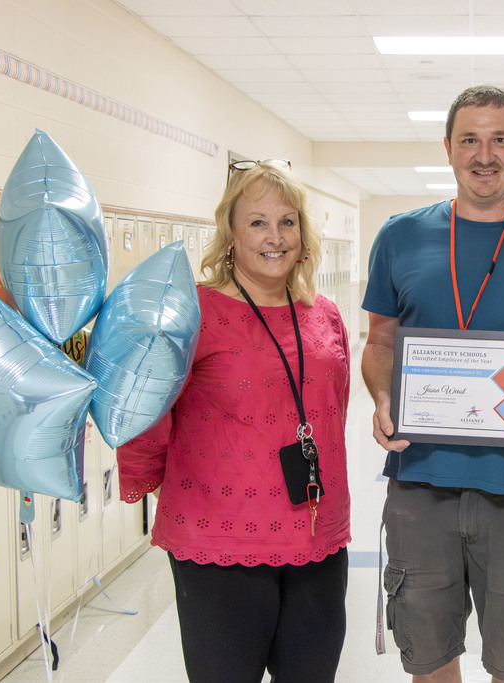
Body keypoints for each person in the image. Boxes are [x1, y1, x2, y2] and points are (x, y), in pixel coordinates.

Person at [362, 85, 504, 683]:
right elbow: (380, 343)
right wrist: (384, 398)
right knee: (428, 661)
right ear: (447, 148)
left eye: (500, 140)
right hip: (420, 482)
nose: (484, 155)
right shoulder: (400, 236)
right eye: (469, 139)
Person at [117, 159, 351, 682]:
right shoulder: (192, 315)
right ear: (230, 233)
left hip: (317, 535)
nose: (275, 237)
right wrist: (146, 477)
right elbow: (147, 410)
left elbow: (334, 406)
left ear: (303, 234)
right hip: (219, 541)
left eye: (287, 221)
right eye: (257, 222)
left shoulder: (324, 314)